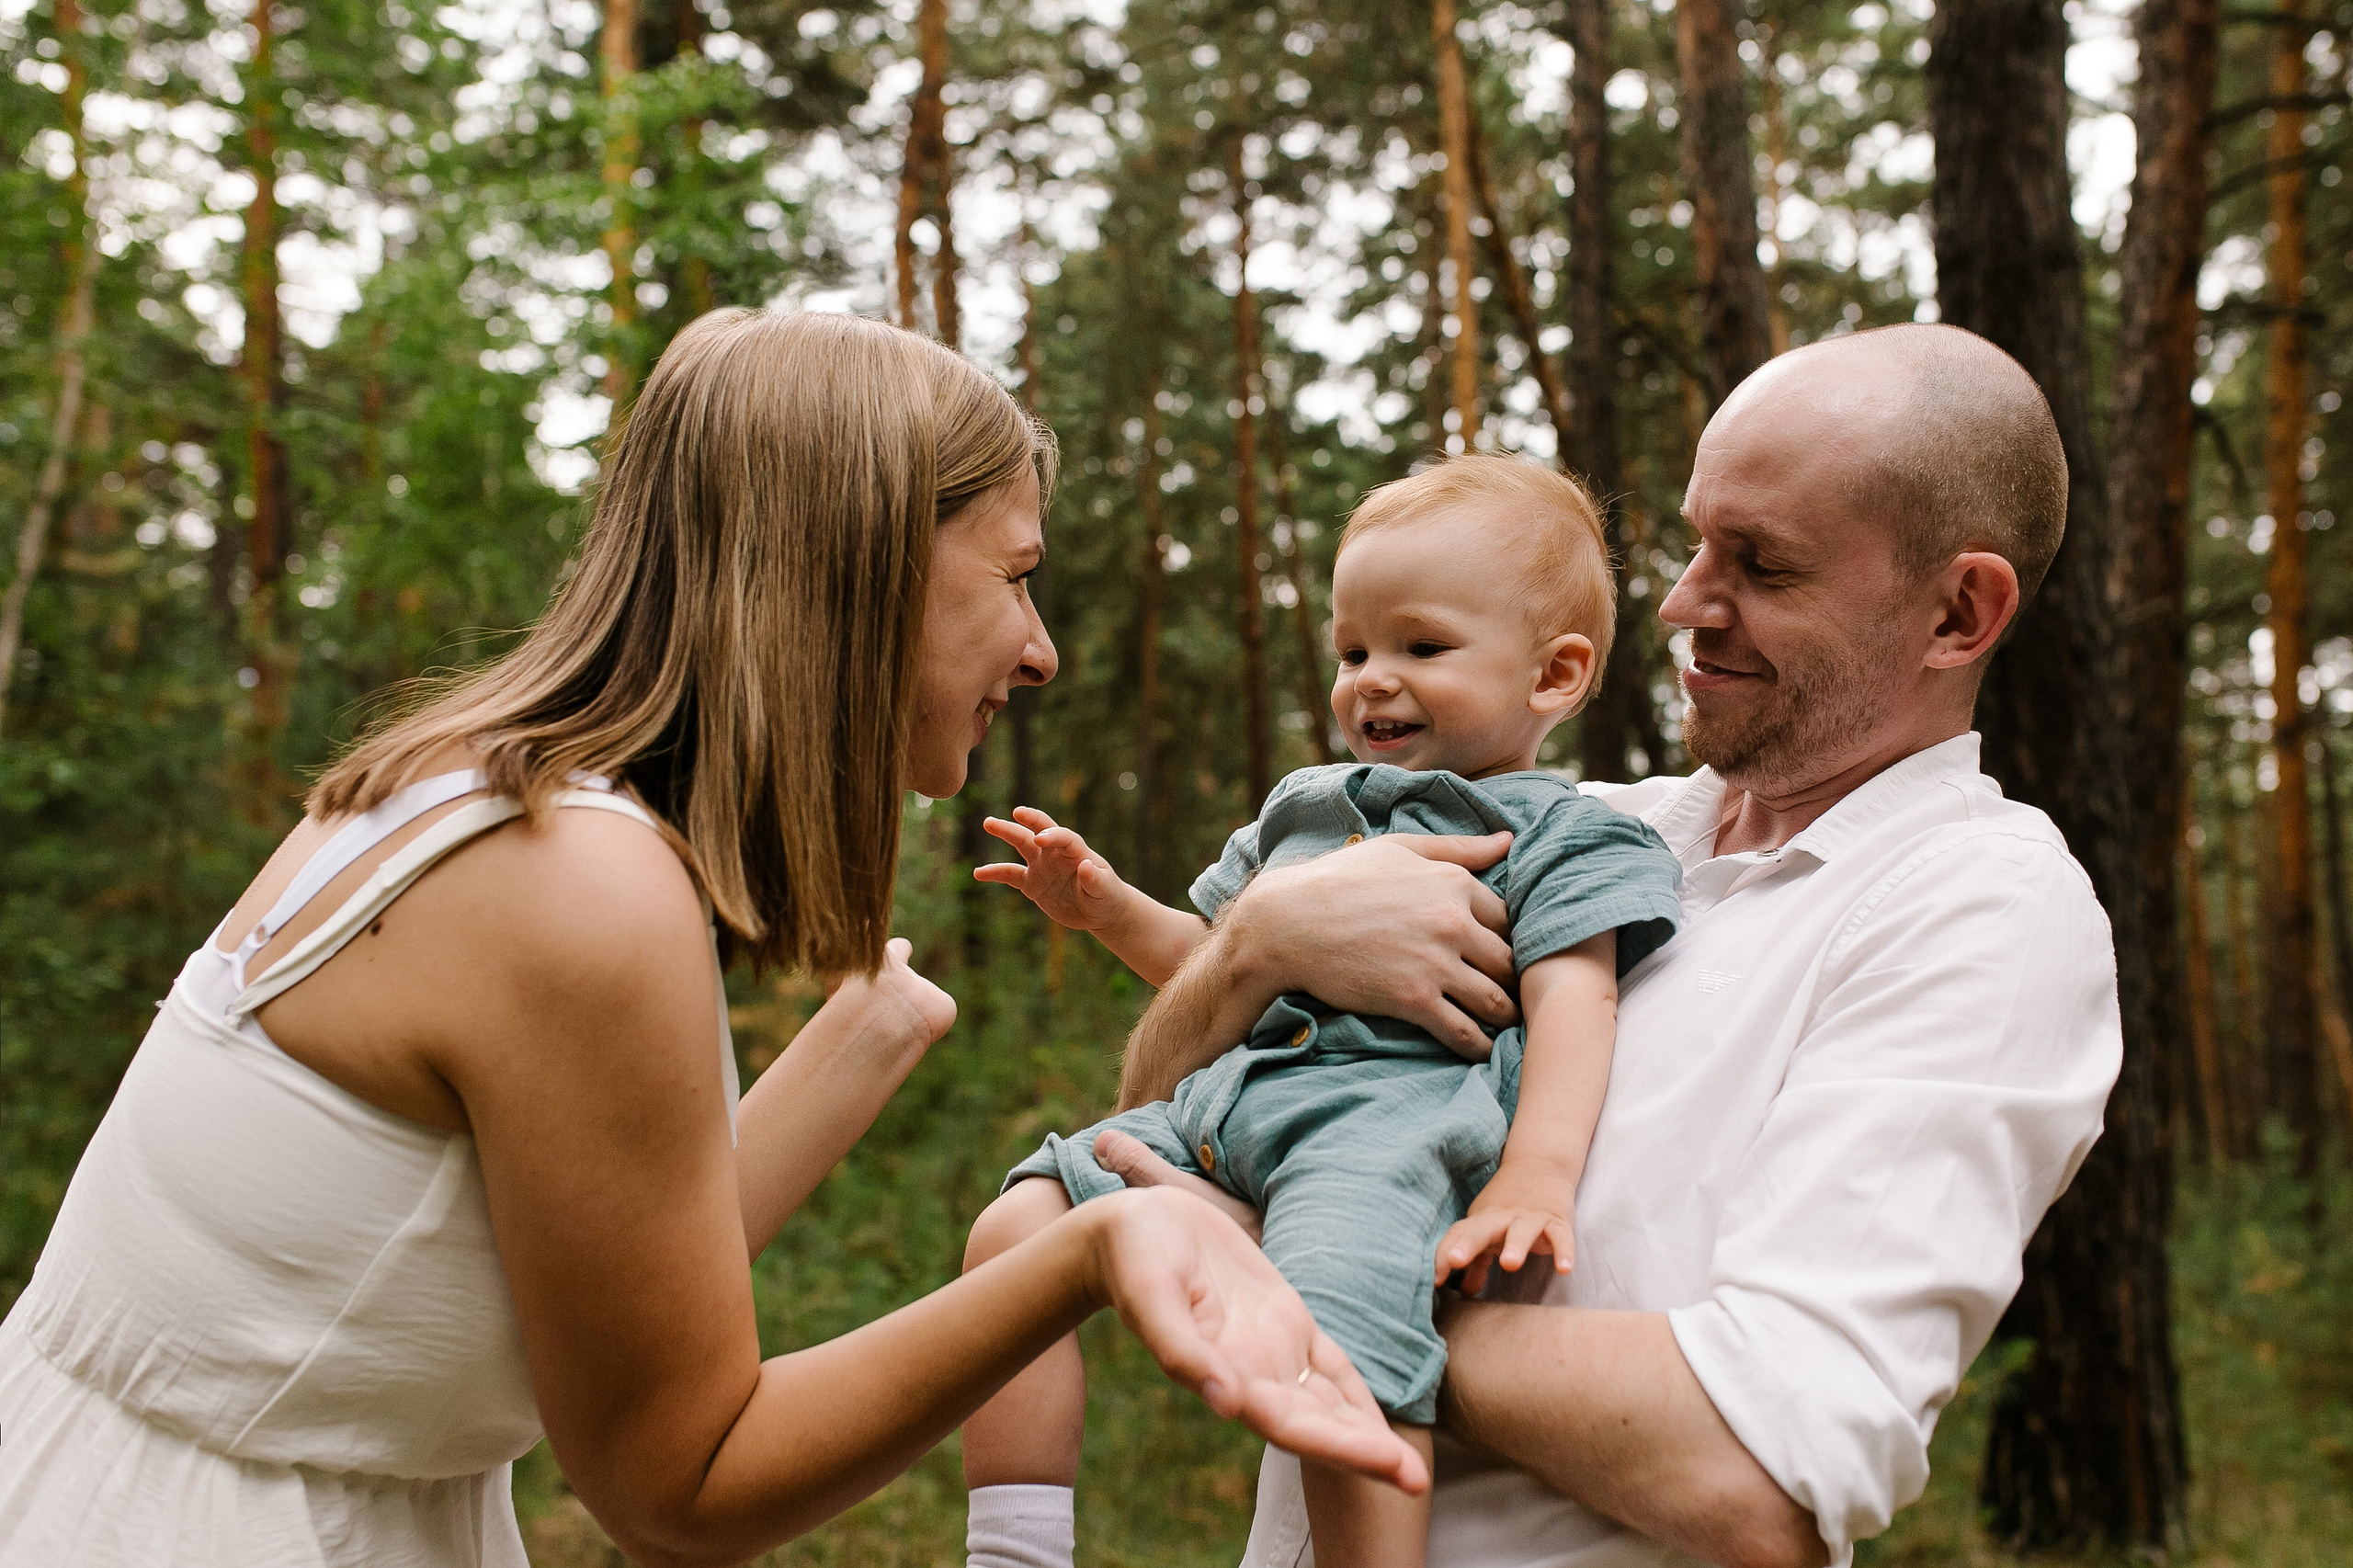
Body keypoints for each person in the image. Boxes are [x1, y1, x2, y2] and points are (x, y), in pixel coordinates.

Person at [0, 310, 1422, 1568]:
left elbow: (541, 1293)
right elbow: (677, 1484)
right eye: (1014, 575)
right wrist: (1091, 1252)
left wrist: (864, 1037)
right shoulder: (578, 887)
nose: (1041, 648)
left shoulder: (467, 787)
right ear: (860, 570)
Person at [1086, 324, 2124, 1568]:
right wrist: (1249, 947)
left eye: (1761, 563)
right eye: (1696, 543)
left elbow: (1757, 1475)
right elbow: (1152, 1123)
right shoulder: (1567, 829)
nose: (1682, 603)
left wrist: (1307, 1264)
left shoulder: (1982, 907)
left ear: (1958, 612)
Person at [958, 457, 1686, 1568]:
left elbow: (1573, 997)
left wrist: (1535, 1173)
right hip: (1222, 1111)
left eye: (1421, 647)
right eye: (1352, 652)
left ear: (1554, 673)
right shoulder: (1301, 808)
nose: (1371, 681)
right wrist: (1106, 909)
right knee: (1017, 1225)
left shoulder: (1564, 835)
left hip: (1376, 1137)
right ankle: (1014, 1551)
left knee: (1342, 1341)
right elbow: (1213, 963)